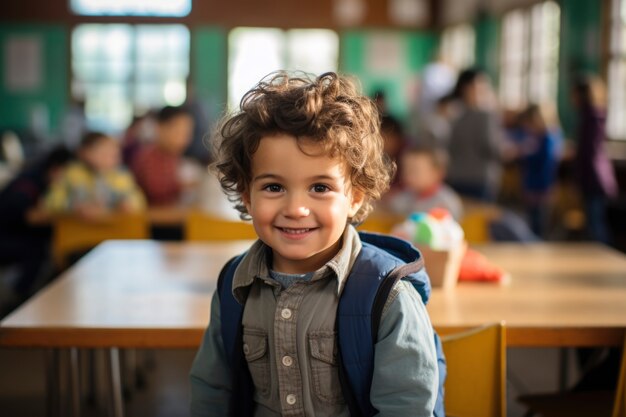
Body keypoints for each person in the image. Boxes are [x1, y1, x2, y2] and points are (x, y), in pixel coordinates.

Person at [190, 72, 441, 417]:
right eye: (274, 187)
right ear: (247, 197)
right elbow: (212, 390)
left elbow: (407, 407)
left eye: (320, 188)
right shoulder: (234, 285)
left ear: (355, 197)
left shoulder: (389, 298)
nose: (296, 209)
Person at [0, 145, 73, 308]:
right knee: (36, 250)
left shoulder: (45, 182)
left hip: (20, 234)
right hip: (6, 236)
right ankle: (18, 300)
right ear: (56, 168)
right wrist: (68, 214)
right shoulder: (28, 183)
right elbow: (28, 216)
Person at [45, 132, 145, 218]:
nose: (112, 159)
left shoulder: (121, 176)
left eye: (114, 155)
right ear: (85, 153)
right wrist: (74, 206)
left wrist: (127, 204)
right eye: (105, 154)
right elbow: (50, 202)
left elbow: (139, 201)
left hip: (113, 230)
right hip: (76, 231)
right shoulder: (71, 173)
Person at [571, 74, 618, 243]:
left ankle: (604, 256)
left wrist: (580, 178)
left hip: (594, 178)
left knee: (595, 223)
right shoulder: (592, 116)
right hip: (594, 177)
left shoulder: (591, 117)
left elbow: (589, 152)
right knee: (593, 222)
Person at [446, 68, 504, 202]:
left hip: (456, 176)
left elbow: (450, 146)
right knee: (480, 217)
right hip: (480, 177)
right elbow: (491, 147)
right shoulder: (486, 115)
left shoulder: (454, 113)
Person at [131, 105, 195, 206]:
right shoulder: (148, 158)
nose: (184, 139)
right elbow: (158, 194)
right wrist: (187, 185)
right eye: (178, 132)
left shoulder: (173, 157)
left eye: (187, 133)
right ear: (159, 128)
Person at [516, 103, 563, 238]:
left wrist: (526, 154)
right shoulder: (534, 136)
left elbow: (545, 161)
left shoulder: (549, 137)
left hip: (542, 187)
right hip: (531, 185)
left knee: (540, 225)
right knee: (531, 223)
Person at [389, 147, 463, 221]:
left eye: (415, 170)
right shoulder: (404, 197)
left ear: (437, 173)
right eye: (405, 169)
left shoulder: (446, 203)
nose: (408, 174)